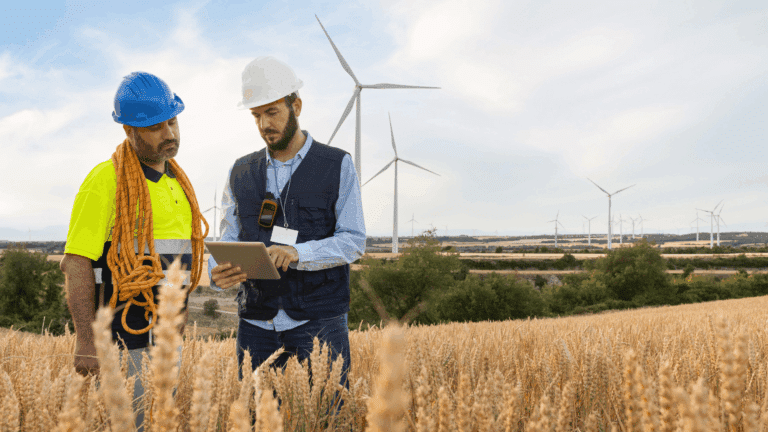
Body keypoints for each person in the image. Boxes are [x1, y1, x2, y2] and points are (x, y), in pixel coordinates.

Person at [60, 71, 208, 430]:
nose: (169, 133)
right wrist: (85, 341)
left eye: (172, 121)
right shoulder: (104, 181)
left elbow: (178, 261)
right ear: (129, 131)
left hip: (166, 339)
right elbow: (76, 262)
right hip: (122, 343)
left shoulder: (178, 182)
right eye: (156, 126)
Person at [209, 56, 366, 391]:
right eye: (256, 115)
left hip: (319, 319)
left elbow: (353, 240)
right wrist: (217, 270)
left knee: (328, 415)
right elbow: (230, 237)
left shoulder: (337, 165)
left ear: (296, 105)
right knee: (254, 418)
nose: (264, 123)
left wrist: (298, 253)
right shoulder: (240, 171)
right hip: (256, 321)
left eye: (272, 112)